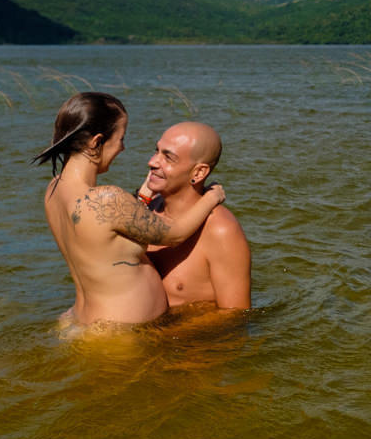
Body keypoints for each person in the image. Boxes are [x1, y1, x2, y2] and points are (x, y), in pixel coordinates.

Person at [34, 93, 225, 327]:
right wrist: (211, 196)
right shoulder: (108, 199)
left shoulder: (53, 190)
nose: (123, 147)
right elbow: (175, 234)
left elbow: (104, 235)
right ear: (96, 142)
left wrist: (141, 197)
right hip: (118, 334)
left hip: (82, 319)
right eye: (121, 138)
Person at [139, 122, 251, 311]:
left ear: (198, 173)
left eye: (168, 157)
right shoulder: (144, 209)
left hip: (182, 340)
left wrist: (158, 335)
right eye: (156, 151)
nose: (152, 162)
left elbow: (235, 317)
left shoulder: (221, 230)